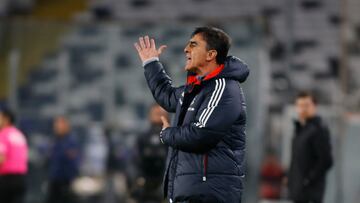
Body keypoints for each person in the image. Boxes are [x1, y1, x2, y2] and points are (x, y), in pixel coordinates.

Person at [134, 26, 249, 203]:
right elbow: (167, 96)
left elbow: (200, 135)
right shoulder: (195, 89)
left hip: (210, 195)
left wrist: (167, 134)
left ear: (211, 54)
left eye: (193, 44)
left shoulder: (223, 88)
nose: (186, 49)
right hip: (191, 192)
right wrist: (151, 64)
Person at [287, 91, 333, 203]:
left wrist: (308, 180)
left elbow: (326, 160)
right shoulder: (300, 130)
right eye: (300, 105)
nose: (303, 109)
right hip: (298, 193)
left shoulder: (318, 130)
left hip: (310, 194)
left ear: (314, 107)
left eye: (306, 105)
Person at [132, 104, 169, 202]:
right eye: (156, 114)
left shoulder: (173, 137)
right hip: (144, 185)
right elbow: (134, 160)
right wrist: (138, 179)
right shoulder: (143, 137)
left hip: (165, 183)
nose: (159, 117)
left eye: (162, 114)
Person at [46, 116, 80, 203]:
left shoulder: (70, 141)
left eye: (59, 125)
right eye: (56, 125)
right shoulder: (55, 141)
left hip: (66, 182)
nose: (56, 127)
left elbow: (73, 162)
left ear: (66, 126)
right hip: (54, 180)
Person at [0, 108, 28, 203]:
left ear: (6, 119)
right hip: (21, 179)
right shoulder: (20, 135)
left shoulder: (3, 134)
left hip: (7, 180)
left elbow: (1, 158)